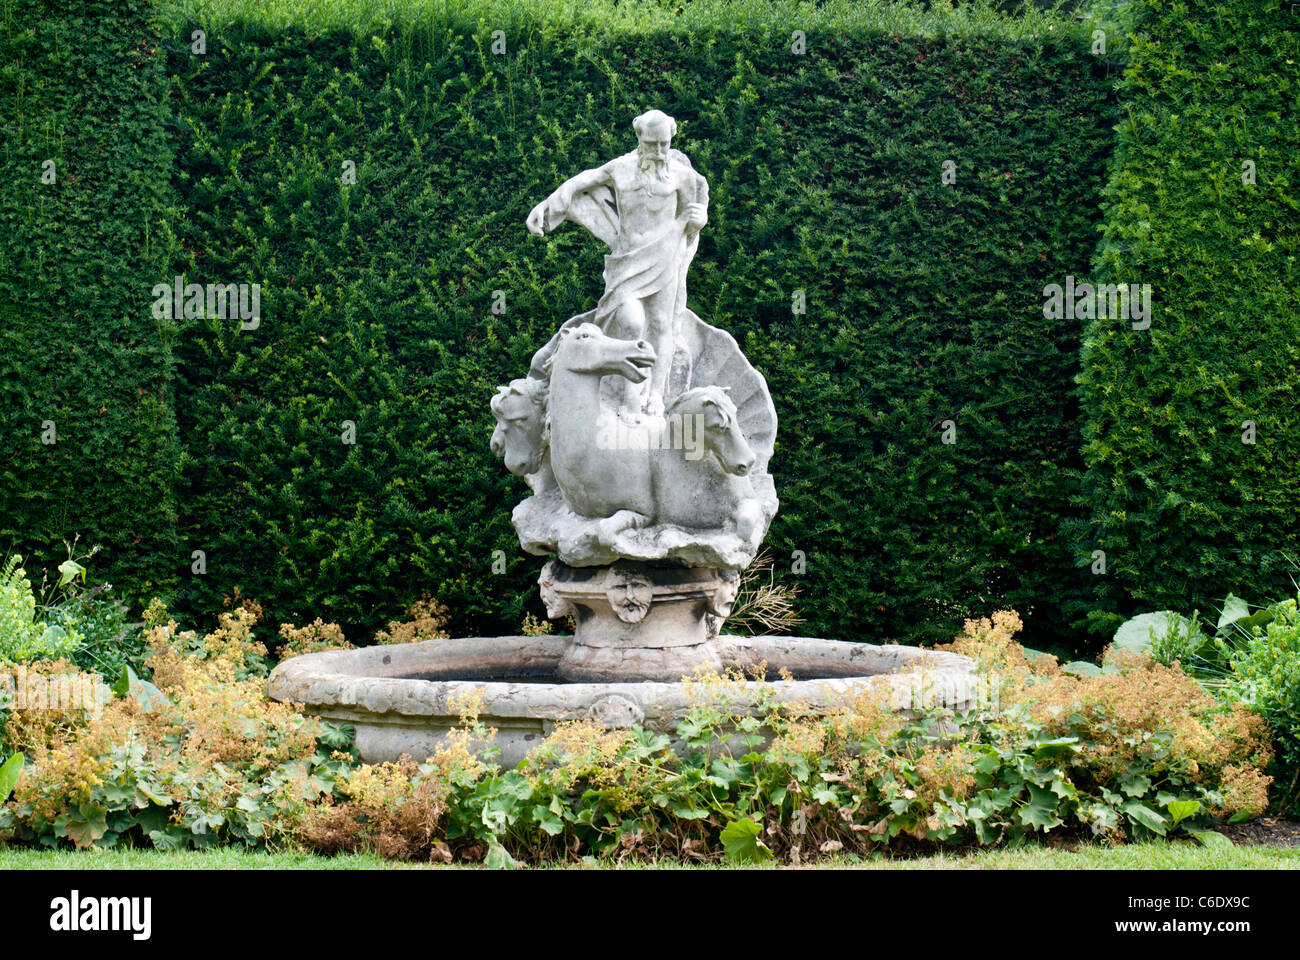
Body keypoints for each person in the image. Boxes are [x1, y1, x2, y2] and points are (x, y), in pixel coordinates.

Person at [526, 110, 708, 417]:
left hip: (665, 258)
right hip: (627, 260)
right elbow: (584, 180)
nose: (660, 151)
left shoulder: (682, 175)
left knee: (663, 325)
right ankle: (630, 394)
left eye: (664, 144)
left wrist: (698, 219)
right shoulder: (620, 169)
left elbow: (695, 213)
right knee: (633, 322)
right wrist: (549, 204)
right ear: (639, 137)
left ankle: (656, 395)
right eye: (652, 144)